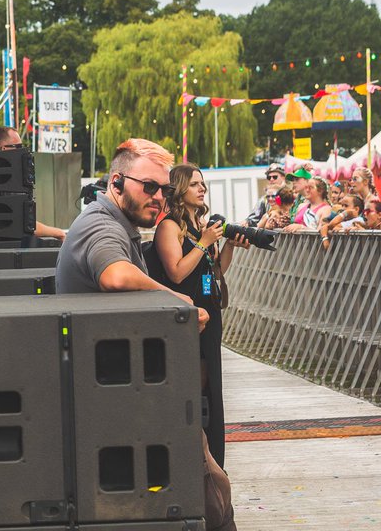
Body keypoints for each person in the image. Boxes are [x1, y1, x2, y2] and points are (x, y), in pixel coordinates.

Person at [55, 139, 234, 531]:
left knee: (209, 485)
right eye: (148, 187)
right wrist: (178, 302)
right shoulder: (102, 225)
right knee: (211, 493)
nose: (159, 198)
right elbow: (116, 275)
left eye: (165, 190)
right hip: (110, 396)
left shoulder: (117, 225)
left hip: (123, 391)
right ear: (117, 183)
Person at [147, 161, 248, 468]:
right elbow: (176, 274)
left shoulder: (199, 229)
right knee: (195, 389)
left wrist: (227, 246)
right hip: (186, 318)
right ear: (179, 190)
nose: (202, 188)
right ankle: (195, 461)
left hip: (210, 314)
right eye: (194, 184)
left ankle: (213, 462)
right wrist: (204, 243)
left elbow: (213, 274)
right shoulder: (169, 227)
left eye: (202, 183)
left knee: (211, 391)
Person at [0, 125, 66, 241]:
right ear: (5, 149)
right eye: (19, 146)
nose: (22, 150)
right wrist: (59, 233)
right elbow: (26, 224)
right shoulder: (7, 181)